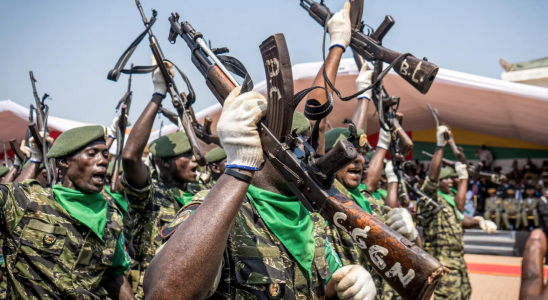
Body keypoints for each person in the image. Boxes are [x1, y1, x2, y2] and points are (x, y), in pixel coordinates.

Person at [0, 125, 134, 299]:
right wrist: (31, 162)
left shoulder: (112, 217)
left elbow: (114, 276)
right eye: (92, 154)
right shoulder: (27, 201)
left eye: (105, 155)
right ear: (64, 161)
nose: (102, 161)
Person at [120, 57, 201, 299]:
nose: (196, 161)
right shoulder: (151, 193)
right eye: (187, 156)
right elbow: (130, 158)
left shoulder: (202, 191)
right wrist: (159, 94)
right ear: (164, 162)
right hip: (157, 289)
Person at [418, 125, 497, 300]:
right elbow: (431, 178)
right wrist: (440, 145)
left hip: (458, 260)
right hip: (442, 261)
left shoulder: (450, 202)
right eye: (445, 178)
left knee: (465, 295)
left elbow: (460, 217)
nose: (450, 181)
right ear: (438, 183)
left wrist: (478, 222)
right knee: (448, 297)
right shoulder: (430, 199)